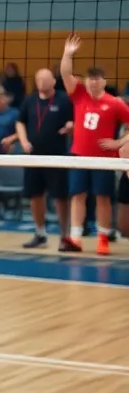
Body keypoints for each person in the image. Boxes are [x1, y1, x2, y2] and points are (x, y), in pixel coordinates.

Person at [60, 34, 129, 255]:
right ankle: (76, 238)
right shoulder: (79, 95)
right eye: (90, 78)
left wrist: (118, 142)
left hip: (105, 159)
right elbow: (65, 73)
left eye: (97, 78)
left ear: (104, 81)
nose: (93, 81)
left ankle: (103, 238)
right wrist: (67, 54)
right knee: (78, 195)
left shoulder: (115, 103)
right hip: (80, 155)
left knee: (103, 197)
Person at [16, 68, 74, 250]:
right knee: (35, 196)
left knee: (60, 197)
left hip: (56, 157)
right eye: (38, 78)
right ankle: (40, 233)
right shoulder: (30, 100)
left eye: (45, 79)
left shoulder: (63, 100)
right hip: (33, 157)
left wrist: (71, 126)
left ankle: (65, 236)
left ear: (53, 81)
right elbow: (20, 122)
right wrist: (23, 141)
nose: (41, 82)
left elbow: (74, 119)